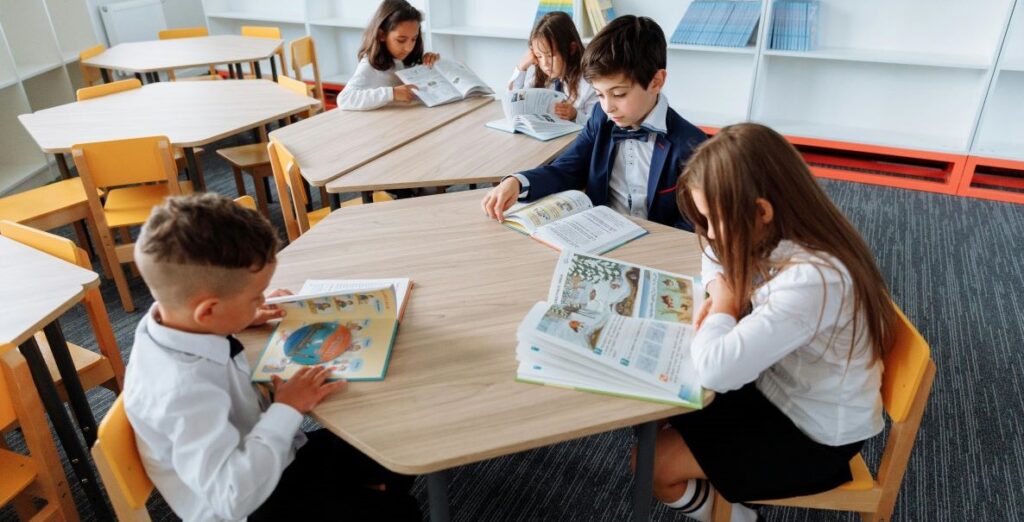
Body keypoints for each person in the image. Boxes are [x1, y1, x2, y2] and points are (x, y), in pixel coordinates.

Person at [641, 123, 897, 521]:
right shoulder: (782, 229)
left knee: (652, 464)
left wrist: (724, 301)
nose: (709, 234)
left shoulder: (812, 278)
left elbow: (716, 370)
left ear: (761, 211)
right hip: (780, 389)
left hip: (815, 435)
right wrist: (719, 283)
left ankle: (741, 517)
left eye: (713, 220)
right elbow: (713, 253)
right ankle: (730, 489)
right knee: (655, 398)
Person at [123, 193, 420, 521]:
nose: (262, 299)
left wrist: (242, 316)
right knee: (399, 512)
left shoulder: (173, 317)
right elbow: (232, 498)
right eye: (255, 296)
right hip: (252, 503)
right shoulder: (181, 392)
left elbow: (201, 315)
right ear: (208, 310)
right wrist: (288, 408)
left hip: (272, 449)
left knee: (399, 447)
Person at [482, 15, 706, 230]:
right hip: (598, 234)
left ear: (656, 81)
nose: (608, 107)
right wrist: (519, 182)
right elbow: (567, 169)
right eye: (599, 94)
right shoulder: (601, 118)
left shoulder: (692, 145)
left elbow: (693, 224)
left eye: (618, 94)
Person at [337, 0, 439, 110]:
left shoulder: (407, 59)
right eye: (401, 40)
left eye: (413, 39)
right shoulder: (370, 66)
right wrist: (392, 93)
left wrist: (432, 64)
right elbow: (344, 99)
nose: (409, 48)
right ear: (382, 35)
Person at [508, 11, 597, 124]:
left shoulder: (590, 82)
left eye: (550, 55)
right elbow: (514, 103)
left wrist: (575, 115)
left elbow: (599, 124)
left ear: (571, 49)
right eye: (539, 56)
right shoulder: (542, 78)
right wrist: (522, 68)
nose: (545, 63)